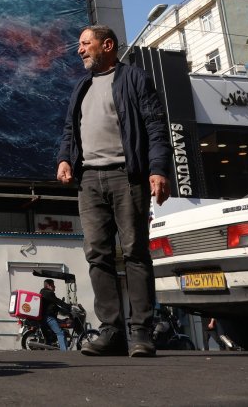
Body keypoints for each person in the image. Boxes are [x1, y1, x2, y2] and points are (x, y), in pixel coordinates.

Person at [56, 24, 171, 357]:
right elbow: (70, 129)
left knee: (135, 252)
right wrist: (64, 159)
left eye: (85, 43)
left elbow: (155, 126)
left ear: (107, 45)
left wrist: (157, 169)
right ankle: (112, 332)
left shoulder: (134, 79)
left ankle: (141, 333)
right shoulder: (82, 86)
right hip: (89, 180)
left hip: (127, 177)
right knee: (97, 254)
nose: (80, 49)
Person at [39, 278, 69, 351]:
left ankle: (49, 351)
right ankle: (64, 352)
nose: (54, 287)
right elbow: (58, 301)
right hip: (48, 317)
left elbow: (54, 306)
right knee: (60, 333)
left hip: (43, 317)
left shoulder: (42, 292)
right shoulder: (49, 293)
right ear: (48, 286)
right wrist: (69, 307)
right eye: (53, 285)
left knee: (48, 337)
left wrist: (65, 312)